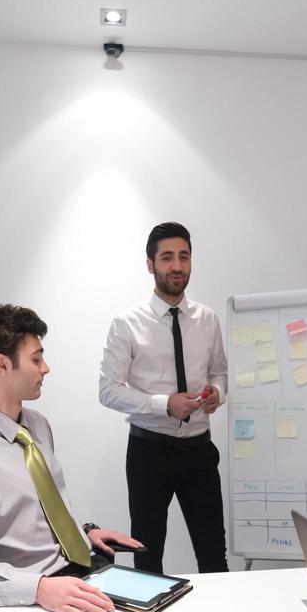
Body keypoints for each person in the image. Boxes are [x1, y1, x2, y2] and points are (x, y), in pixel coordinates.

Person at [0, 304, 142, 612]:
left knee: (167, 610)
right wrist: (38, 589)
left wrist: (83, 532)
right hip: (33, 594)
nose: (45, 368)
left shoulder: (36, 426)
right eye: (36, 359)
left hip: (83, 568)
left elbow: (38, 512)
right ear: (2, 365)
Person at [98, 222, 229, 574]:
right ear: (150, 264)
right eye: (167, 257)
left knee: (214, 555)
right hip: (149, 454)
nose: (177, 266)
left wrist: (218, 392)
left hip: (200, 451)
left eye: (184, 257)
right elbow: (108, 390)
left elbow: (219, 372)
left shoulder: (208, 319)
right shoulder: (126, 323)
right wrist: (164, 404)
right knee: (147, 558)